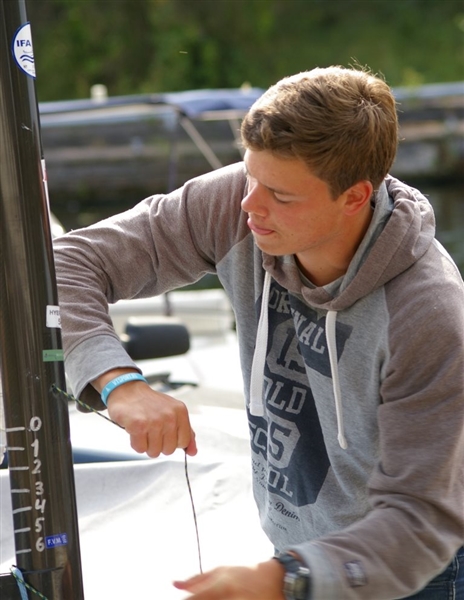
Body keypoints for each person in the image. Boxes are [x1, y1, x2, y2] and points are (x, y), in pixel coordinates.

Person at [54, 66, 464, 600]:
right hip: (293, 552)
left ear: (355, 197)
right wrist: (116, 381)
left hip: (414, 572)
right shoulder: (240, 205)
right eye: (249, 175)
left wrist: (284, 579)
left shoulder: (429, 315)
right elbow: (66, 264)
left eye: (281, 195)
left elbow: (420, 520)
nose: (250, 205)